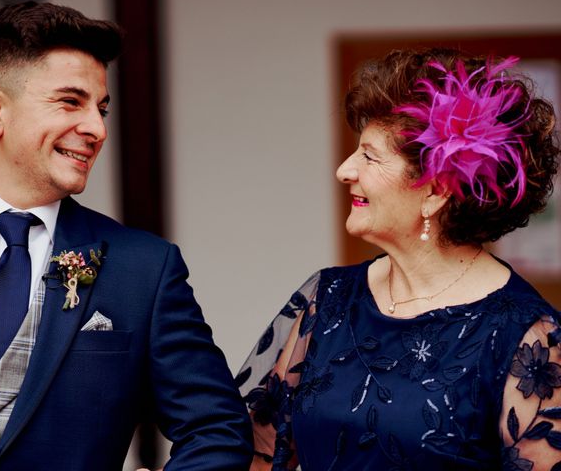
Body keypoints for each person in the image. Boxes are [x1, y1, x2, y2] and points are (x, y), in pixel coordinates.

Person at [0, 1, 252, 470]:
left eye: (101, 109)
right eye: (70, 101)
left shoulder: (144, 269)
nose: (96, 128)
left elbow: (217, 429)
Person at [237, 48, 561, 470]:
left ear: (436, 191)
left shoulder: (526, 336)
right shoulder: (330, 298)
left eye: (370, 156)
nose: (344, 170)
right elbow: (259, 456)